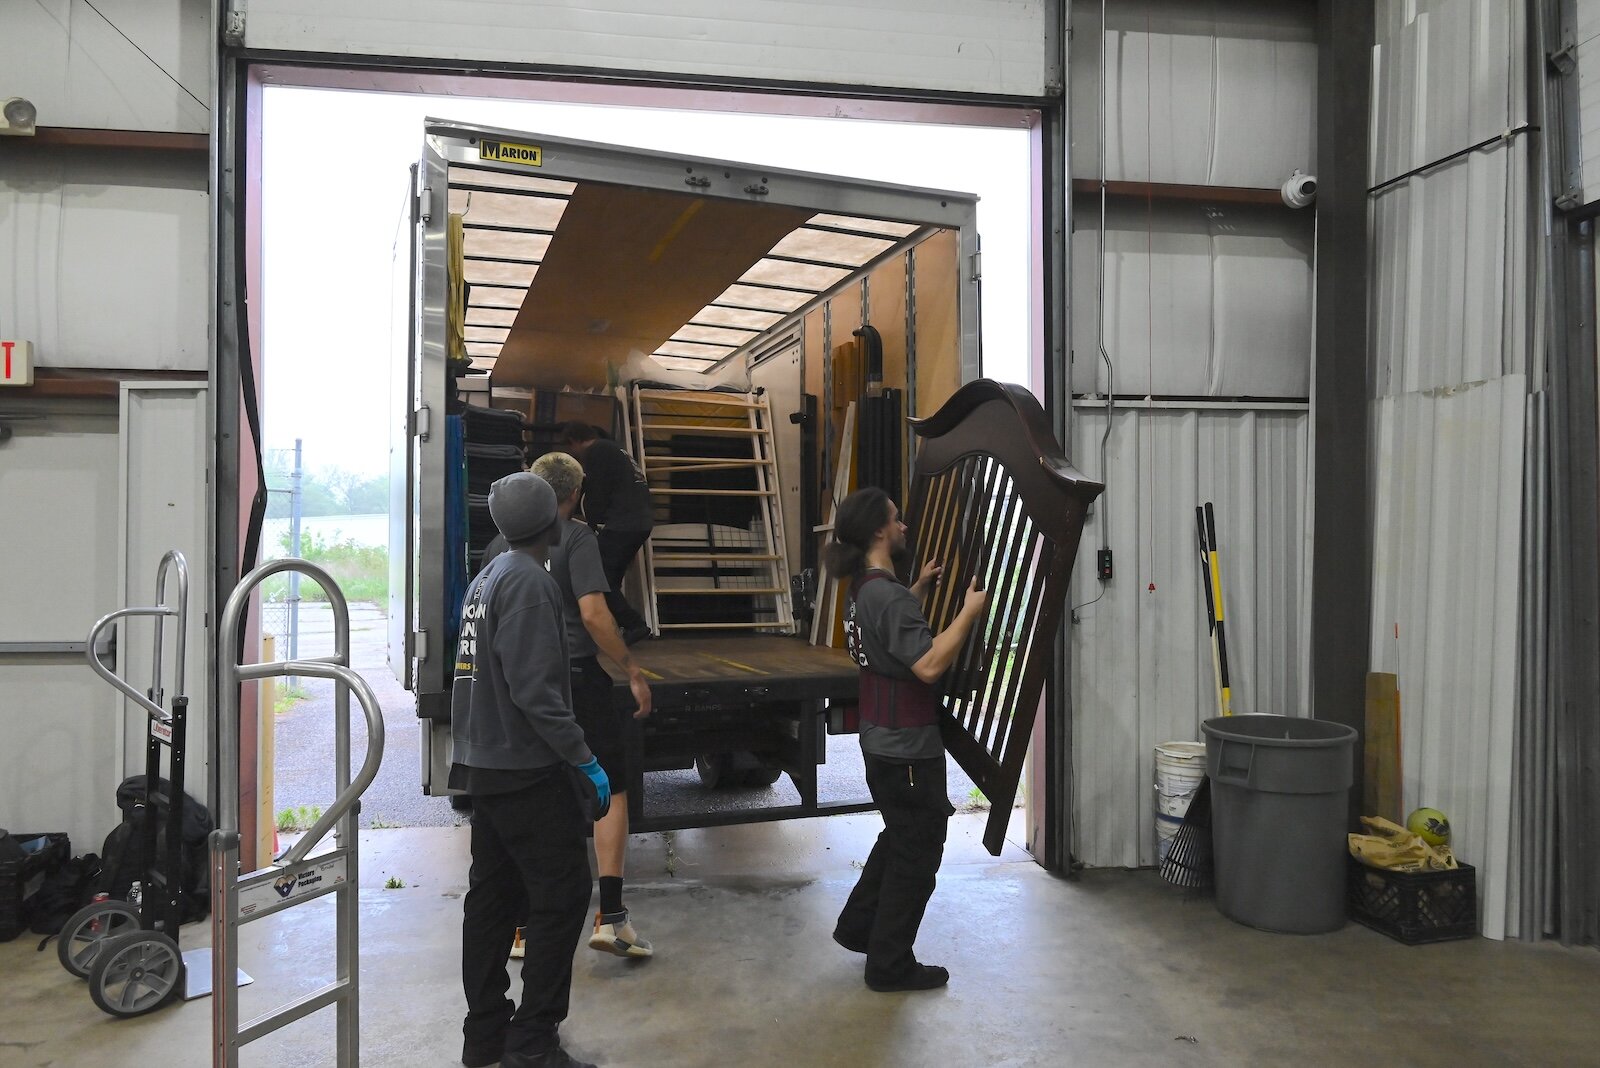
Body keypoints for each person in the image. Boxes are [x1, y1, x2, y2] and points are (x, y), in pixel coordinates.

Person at [452, 471, 610, 1068]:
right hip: (526, 768)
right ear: (556, 522)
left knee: (492, 897)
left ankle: (485, 1033)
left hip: (487, 765)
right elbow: (537, 693)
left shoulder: (487, 578)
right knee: (562, 895)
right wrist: (585, 758)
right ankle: (533, 1038)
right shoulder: (529, 583)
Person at [826, 487, 988, 993]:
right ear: (878, 531)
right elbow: (927, 663)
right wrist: (969, 611)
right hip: (907, 752)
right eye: (896, 521)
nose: (903, 527)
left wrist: (916, 587)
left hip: (882, 743)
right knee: (916, 854)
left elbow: (890, 634)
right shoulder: (885, 596)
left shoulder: (867, 589)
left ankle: (859, 928)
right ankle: (889, 965)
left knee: (900, 837)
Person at [530, 449, 657, 959]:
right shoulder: (576, 537)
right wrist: (630, 667)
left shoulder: (502, 543)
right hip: (578, 682)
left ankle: (523, 926)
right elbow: (594, 614)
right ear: (576, 495)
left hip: (528, 687)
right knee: (612, 785)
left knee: (538, 794)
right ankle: (610, 917)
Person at [559, 421, 654, 645]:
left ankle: (634, 625)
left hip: (623, 523)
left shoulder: (597, 452)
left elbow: (598, 495)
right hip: (638, 521)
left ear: (574, 442)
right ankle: (618, 627)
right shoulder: (615, 449)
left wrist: (588, 523)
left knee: (598, 578)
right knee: (610, 577)